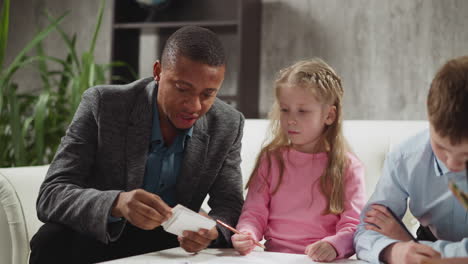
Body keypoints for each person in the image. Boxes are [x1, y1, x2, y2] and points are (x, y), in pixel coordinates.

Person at [30, 26, 245, 263]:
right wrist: (117, 203)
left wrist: (211, 231)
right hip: (101, 236)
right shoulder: (104, 104)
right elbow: (51, 194)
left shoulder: (227, 123)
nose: (194, 106)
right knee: (49, 240)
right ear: (157, 71)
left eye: (208, 94)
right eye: (183, 89)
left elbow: (229, 204)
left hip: (170, 243)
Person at [231, 58, 366, 262]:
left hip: (322, 261)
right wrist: (246, 233)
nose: (291, 119)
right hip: (272, 258)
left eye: (302, 111)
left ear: (329, 115)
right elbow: (254, 212)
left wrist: (333, 245)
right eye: (285, 110)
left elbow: (354, 224)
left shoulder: (348, 166)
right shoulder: (271, 159)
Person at [353, 56, 468, 264]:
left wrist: (412, 243)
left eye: (466, 155)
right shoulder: (405, 158)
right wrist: (394, 250)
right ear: (428, 112)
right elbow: (365, 231)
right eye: (441, 147)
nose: (452, 164)